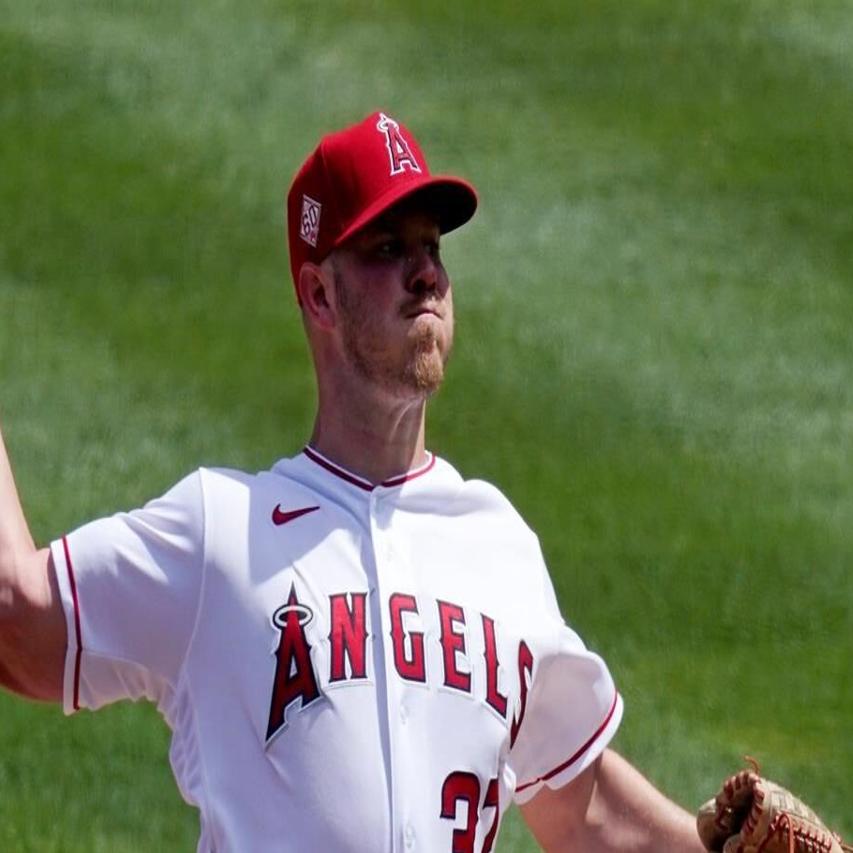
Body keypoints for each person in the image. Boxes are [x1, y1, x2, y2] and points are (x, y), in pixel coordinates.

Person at [0, 111, 704, 852]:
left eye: (431, 246)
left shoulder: (498, 545)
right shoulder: (219, 535)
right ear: (319, 296)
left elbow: (588, 814)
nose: (425, 271)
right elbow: (18, 615)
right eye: (387, 247)